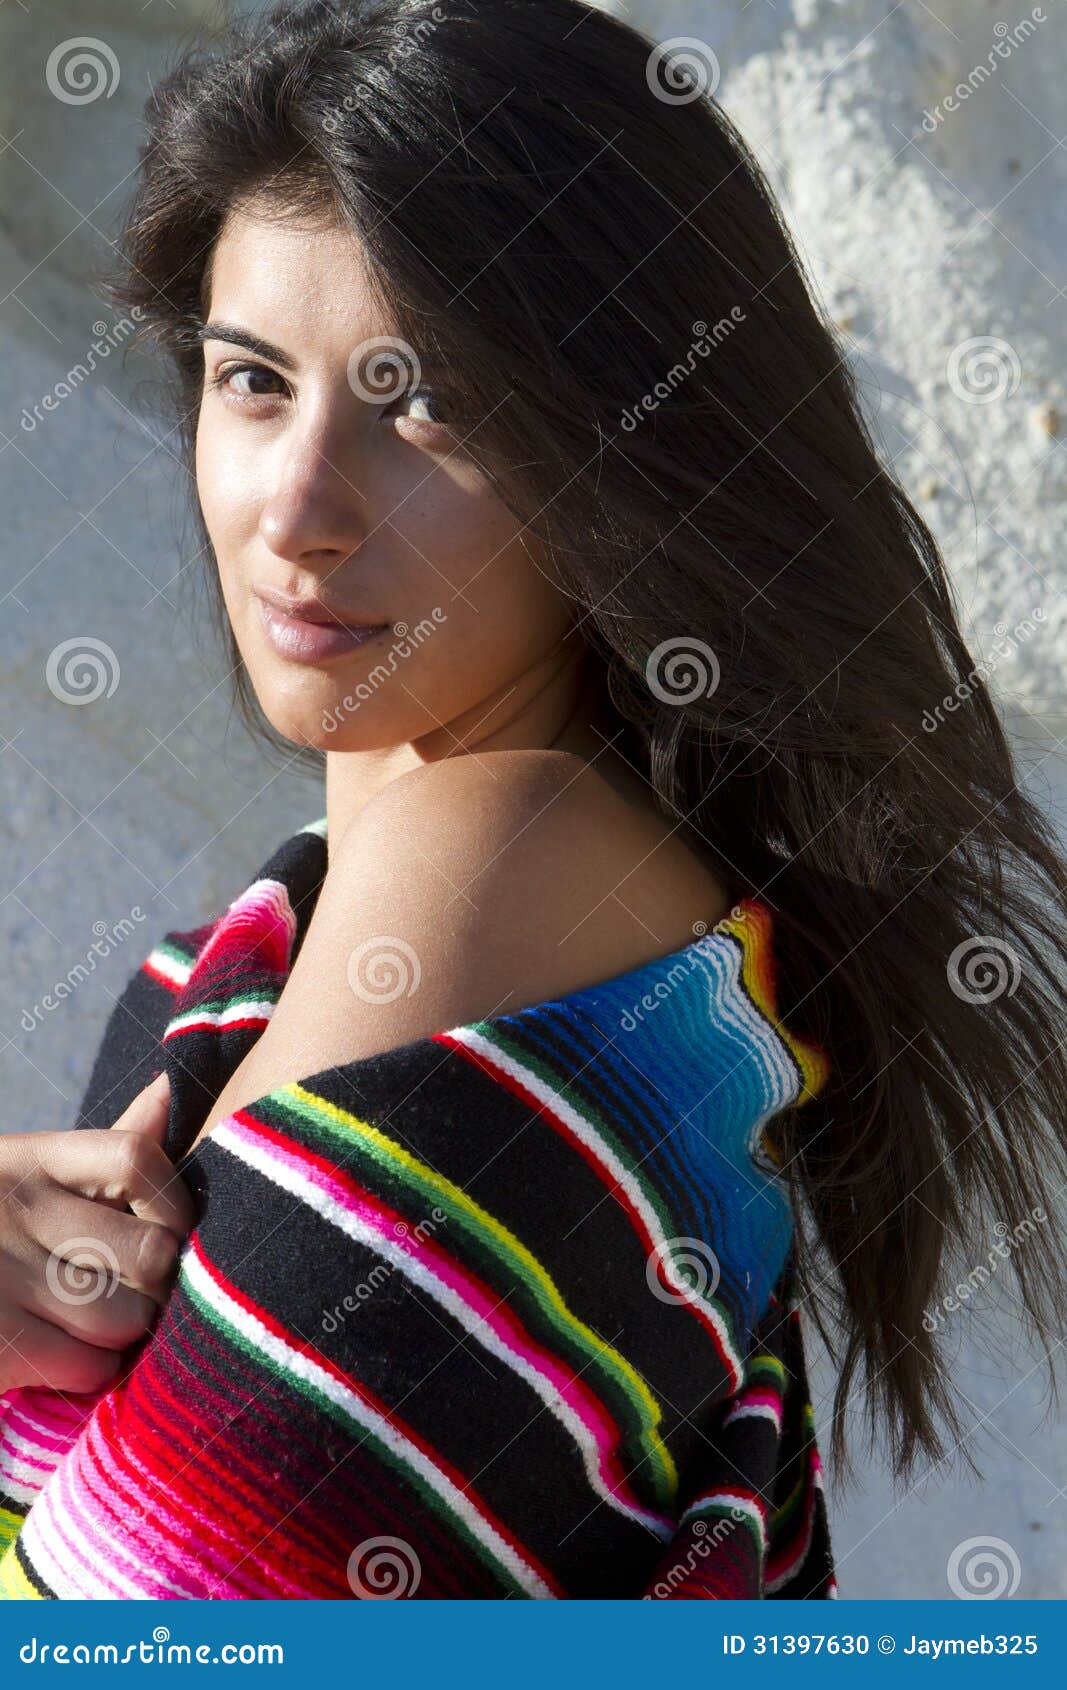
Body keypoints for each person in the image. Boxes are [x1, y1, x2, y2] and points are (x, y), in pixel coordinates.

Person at [1, 0, 1064, 1600]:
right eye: (252, 381)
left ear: (625, 447)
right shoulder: (278, 941)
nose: (297, 506)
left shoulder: (497, 858)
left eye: (425, 400)